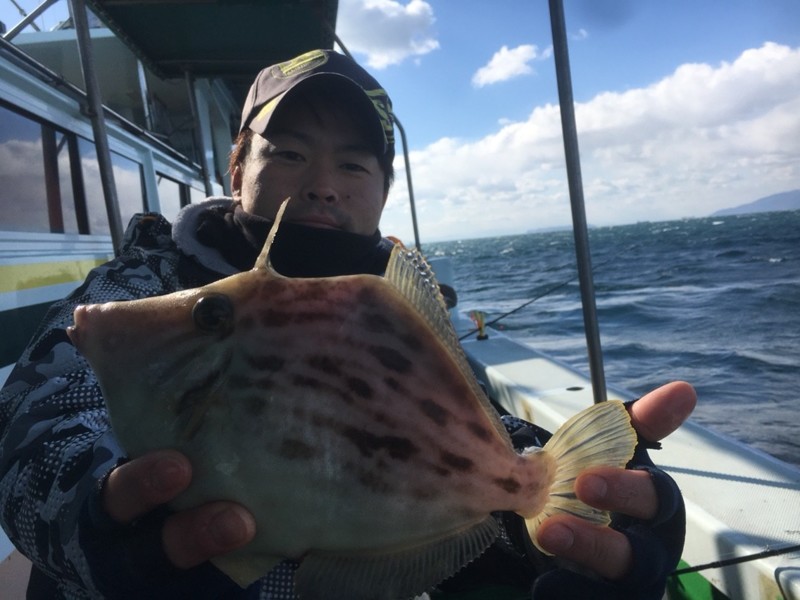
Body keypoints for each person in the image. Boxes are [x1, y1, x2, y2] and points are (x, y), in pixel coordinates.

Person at [0, 49, 695, 599]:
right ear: (238, 163)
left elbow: (472, 445)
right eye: (291, 153)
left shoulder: (409, 332)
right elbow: (45, 423)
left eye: (354, 163)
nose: (323, 184)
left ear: (385, 189)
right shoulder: (142, 283)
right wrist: (101, 522)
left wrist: (587, 524)